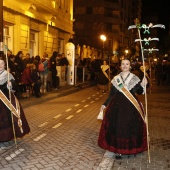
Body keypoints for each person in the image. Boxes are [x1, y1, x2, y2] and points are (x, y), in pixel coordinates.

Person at [98, 58, 148, 160]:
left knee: (131, 127)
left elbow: (139, 91)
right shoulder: (116, 78)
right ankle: (119, 150)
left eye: (127, 64)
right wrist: (104, 104)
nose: (125, 66)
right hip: (117, 107)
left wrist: (143, 85)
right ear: (120, 66)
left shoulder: (135, 78)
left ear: (130, 66)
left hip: (131, 107)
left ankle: (131, 148)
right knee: (119, 128)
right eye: (123, 64)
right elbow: (112, 94)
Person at [0, 59, 30, 142]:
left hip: (6, 100)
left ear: (4, 65)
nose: (0, 66)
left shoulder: (8, 75)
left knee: (9, 117)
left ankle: (6, 136)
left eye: (2, 64)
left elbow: (14, 85)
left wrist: (10, 84)